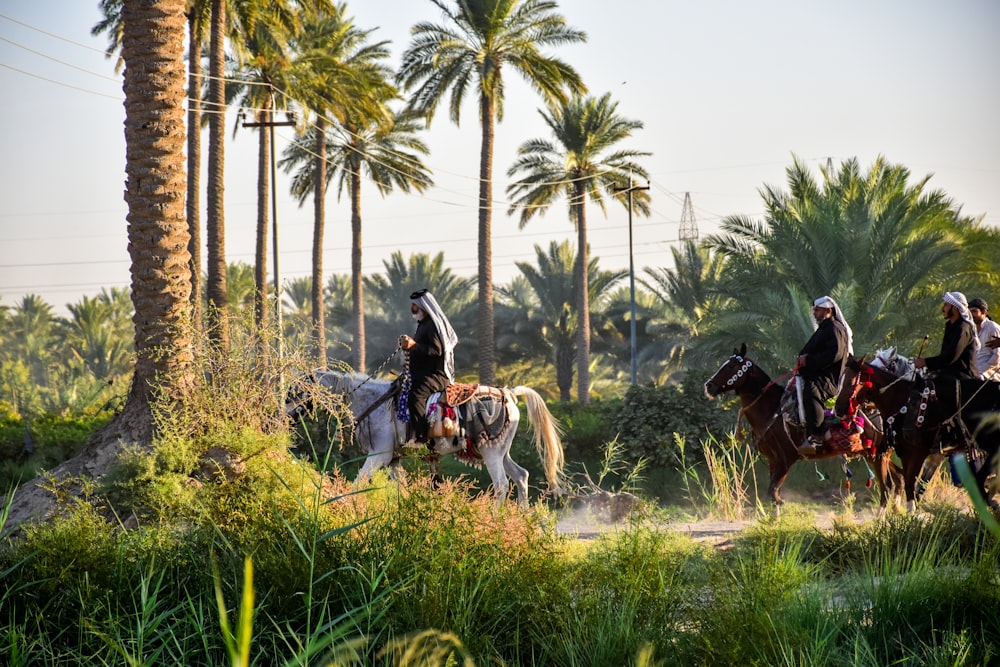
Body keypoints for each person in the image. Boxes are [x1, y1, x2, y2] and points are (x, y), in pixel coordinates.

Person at [398, 288, 458, 447]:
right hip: (424, 373)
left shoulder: (432, 325)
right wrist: (409, 347)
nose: (412, 308)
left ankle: (422, 436)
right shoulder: (423, 325)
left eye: (415, 306)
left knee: (416, 395)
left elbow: (436, 350)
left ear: (423, 306)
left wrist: (414, 345)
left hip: (437, 376)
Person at [795, 296, 852, 455]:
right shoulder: (825, 328)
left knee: (812, 390)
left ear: (828, 311)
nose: (814, 313)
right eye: (814, 310)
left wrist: (810, 360)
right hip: (819, 375)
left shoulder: (834, 327)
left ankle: (817, 436)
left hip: (830, 380)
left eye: (817, 310)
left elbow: (835, 353)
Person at [913, 291, 980, 381]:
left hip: (962, 378)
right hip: (949, 374)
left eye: (946, 305)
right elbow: (945, 355)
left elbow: (951, 356)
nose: (942, 309)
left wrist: (925, 362)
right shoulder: (951, 325)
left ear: (955, 308)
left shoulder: (963, 328)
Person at [968, 297, 1000, 381]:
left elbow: (997, 358)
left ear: (984, 312)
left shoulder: (992, 327)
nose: (971, 315)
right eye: (969, 312)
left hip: (991, 373)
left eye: (974, 311)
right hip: (974, 370)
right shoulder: (971, 329)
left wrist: (979, 370)